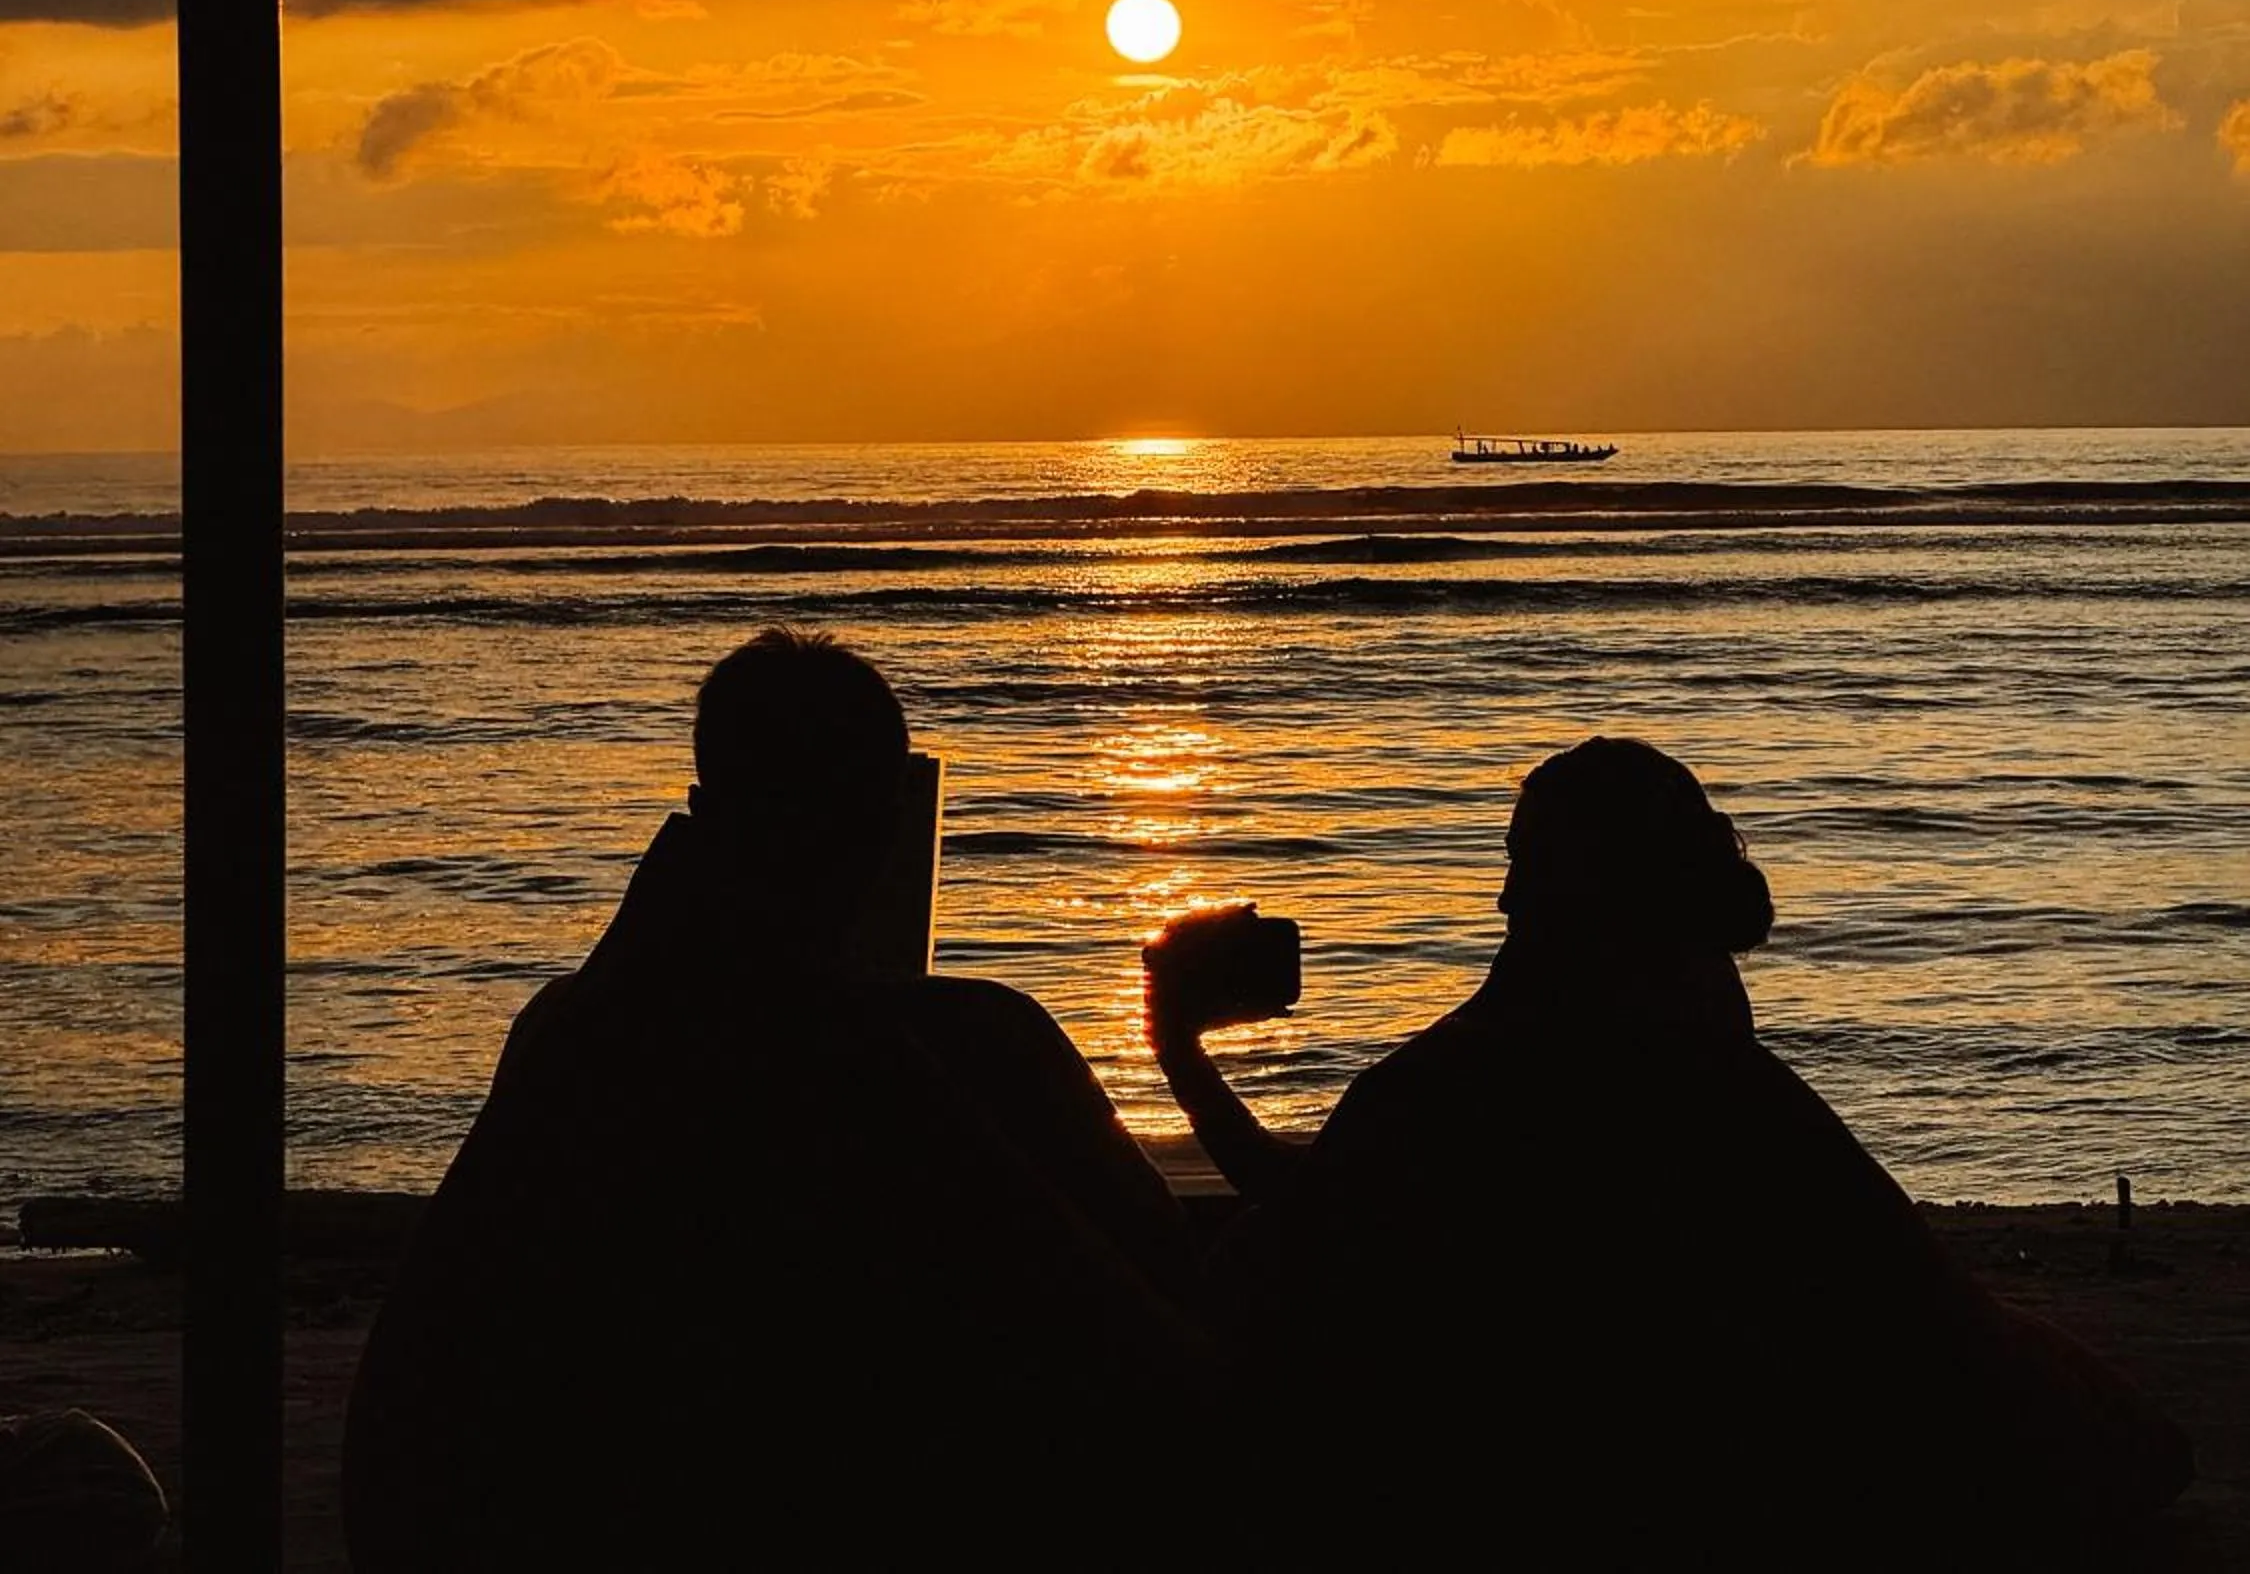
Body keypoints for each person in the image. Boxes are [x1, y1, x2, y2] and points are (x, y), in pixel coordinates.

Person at [1146, 736, 2192, 1564]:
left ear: (1551, 893)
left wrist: (1179, 1048)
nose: (1504, 902)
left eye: (1524, 874)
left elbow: (1309, 1201)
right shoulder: (1702, 1042)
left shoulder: (1457, 1078)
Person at [345, 629, 1204, 1570]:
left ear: (704, 814)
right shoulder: (881, 1041)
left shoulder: (573, 1022)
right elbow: (1144, 1323)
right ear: (887, 823)